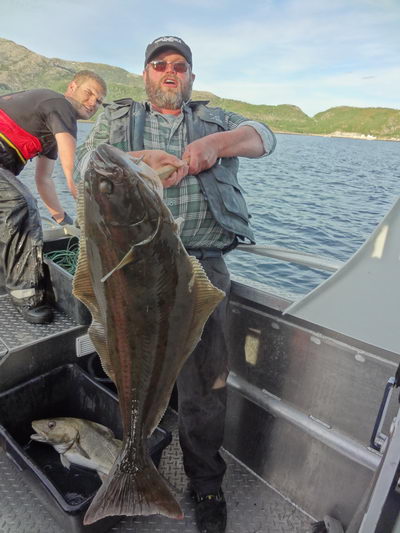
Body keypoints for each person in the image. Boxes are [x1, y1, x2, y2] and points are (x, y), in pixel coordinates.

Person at [74, 36, 276, 533]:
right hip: (128, 269)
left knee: (206, 385)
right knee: (126, 369)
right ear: (145, 75)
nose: (169, 71)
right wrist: (133, 163)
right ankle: (131, 461)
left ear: (190, 77)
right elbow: (84, 168)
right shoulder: (117, 120)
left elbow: (265, 137)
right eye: (159, 64)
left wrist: (214, 146)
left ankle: (205, 483)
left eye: (179, 66)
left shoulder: (215, 119)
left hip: (200, 267)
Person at [0, 70, 107, 324]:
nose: (93, 102)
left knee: (11, 208)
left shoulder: (49, 133)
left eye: (99, 100)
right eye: (89, 93)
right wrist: (78, 190)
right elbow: (70, 169)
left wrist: (63, 219)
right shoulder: (58, 104)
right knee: (20, 204)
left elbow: (44, 179)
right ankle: (25, 294)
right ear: (72, 87)